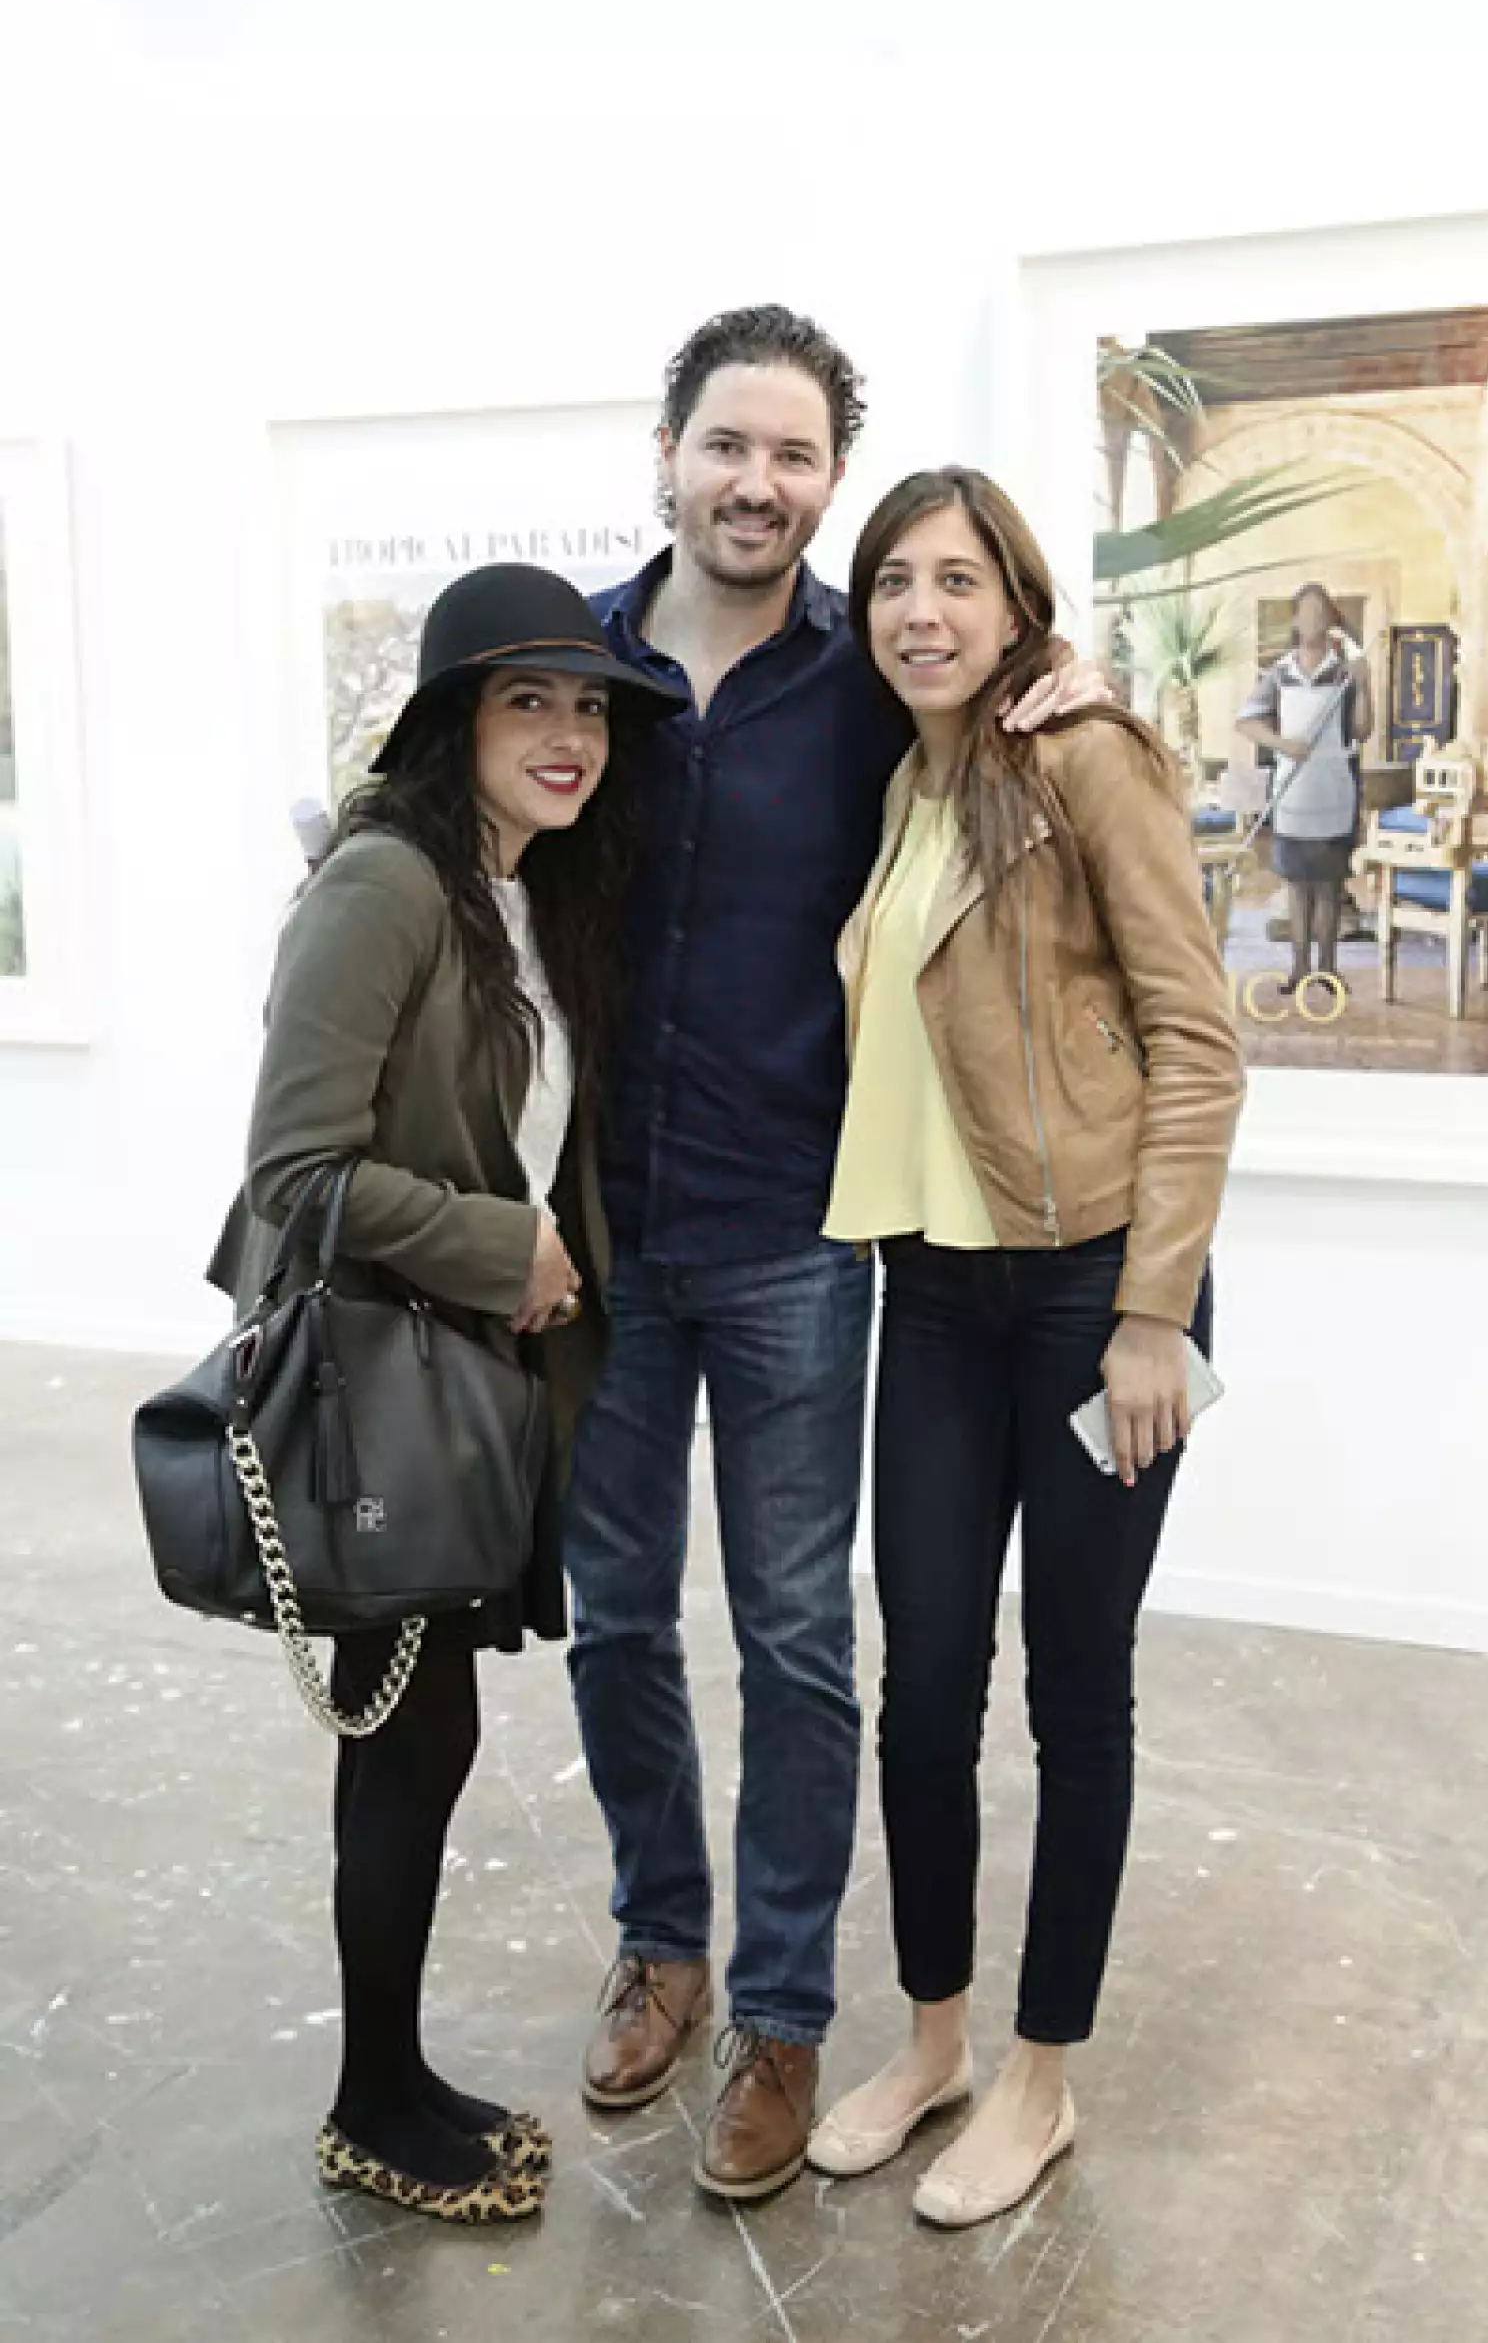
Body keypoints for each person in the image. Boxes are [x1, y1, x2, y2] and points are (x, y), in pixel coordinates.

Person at [563, 306, 1109, 2203]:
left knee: (800, 1635)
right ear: (667, 449)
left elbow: (997, 696)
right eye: (728, 443)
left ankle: (781, 2014)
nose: (757, 481)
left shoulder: (868, 672)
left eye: (795, 455)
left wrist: (1068, 680)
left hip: (800, 1232)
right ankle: (663, 1939)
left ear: (825, 477)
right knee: (621, 1615)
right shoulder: (584, 666)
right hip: (605, 1241)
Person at [206, 564, 682, 2222]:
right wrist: (507, 1248)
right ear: (450, 719)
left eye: (590, 707)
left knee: (428, 1729)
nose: (568, 736)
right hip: (384, 1382)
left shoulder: (516, 887)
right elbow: (293, 1168)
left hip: (468, 1381)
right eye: (526, 701)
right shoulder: (391, 881)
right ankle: (370, 2099)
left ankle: (391, 2075)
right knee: (407, 1737)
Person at [807, 467, 1244, 2229]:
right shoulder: (911, 784)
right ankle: (932, 2040)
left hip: (1090, 1302)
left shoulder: (1082, 760)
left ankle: (1042, 2076)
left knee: (1079, 1689)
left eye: (960, 580)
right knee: (923, 1690)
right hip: (937, 1291)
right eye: (894, 581)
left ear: (1018, 606)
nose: (923, 609)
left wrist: (1154, 1310)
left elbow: (1199, 1040)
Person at [1236, 582, 1374, 992]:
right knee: (1297, 885)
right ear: (1295, 620)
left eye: (1321, 611)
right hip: (1293, 791)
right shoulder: (1280, 674)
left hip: (1333, 788)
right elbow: (1246, 722)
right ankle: (1298, 967)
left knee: (1329, 885)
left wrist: (1365, 686)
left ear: (1331, 619)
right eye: (1306, 612)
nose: (1313, 619)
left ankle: (1327, 968)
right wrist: (1283, 745)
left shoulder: (1345, 673)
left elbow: (1363, 731)